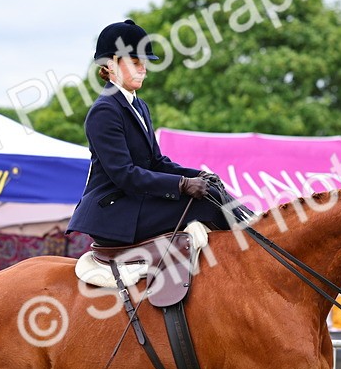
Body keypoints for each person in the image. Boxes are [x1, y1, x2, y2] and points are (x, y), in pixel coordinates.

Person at [67, 19, 233, 247]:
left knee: (212, 192)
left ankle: (254, 224)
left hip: (136, 203)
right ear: (111, 65)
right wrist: (182, 184)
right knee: (206, 203)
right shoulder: (104, 110)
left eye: (144, 63)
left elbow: (156, 162)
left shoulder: (140, 106)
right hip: (113, 212)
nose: (143, 69)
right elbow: (125, 174)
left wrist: (198, 174)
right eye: (135, 62)